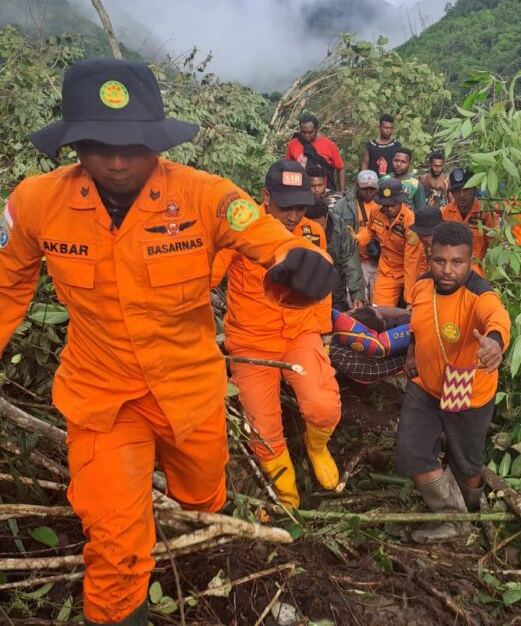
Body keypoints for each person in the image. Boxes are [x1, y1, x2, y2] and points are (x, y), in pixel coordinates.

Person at [0, 59, 337, 626]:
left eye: (132, 145)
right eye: (96, 144)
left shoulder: (205, 197)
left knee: (203, 496)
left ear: (156, 141)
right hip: (102, 399)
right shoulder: (33, 204)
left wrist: (305, 266)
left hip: (190, 393)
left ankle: (198, 541)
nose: (115, 160)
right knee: (114, 543)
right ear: (73, 144)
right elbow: (6, 282)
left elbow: (273, 241)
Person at [213, 161, 342, 510]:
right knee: (263, 430)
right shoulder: (238, 230)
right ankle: (286, 497)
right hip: (251, 343)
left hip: (301, 334)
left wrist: (325, 334)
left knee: (324, 406)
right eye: (286, 206)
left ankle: (316, 446)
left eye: (300, 206)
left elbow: (321, 284)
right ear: (265, 197)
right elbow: (207, 277)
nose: (293, 215)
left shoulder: (312, 232)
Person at [395, 222, 510, 542]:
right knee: (411, 451)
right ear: (429, 258)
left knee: (466, 463)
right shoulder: (421, 286)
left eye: (457, 262)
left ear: (470, 261)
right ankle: (455, 521)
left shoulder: (479, 293)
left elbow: (497, 318)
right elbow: (418, 325)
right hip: (426, 385)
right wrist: (412, 354)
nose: (447, 270)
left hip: (467, 387)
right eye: (439, 261)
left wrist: (495, 343)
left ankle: (473, 515)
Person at [357, 178, 417, 307]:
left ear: (400, 201)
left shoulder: (410, 220)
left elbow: (412, 261)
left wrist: (410, 299)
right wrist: (357, 239)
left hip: (409, 267)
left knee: (411, 310)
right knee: (379, 310)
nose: (389, 208)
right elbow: (369, 231)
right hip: (387, 268)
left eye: (392, 205)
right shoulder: (376, 212)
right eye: (385, 205)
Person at [305, 199, 365, 312]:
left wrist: (357, 295)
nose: (317, 230)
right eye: (312, 227)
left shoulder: (338, 225)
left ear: (327, 217)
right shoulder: (298, 225)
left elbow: (350, 258)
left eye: (320, 226)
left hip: (335, 280)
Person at [332, 170, 379, 302]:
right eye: (365, 189)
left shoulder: (384, 204)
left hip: (380, 261)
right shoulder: (343, 205)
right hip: (356, 261)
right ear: (357, 187)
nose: (369, 192)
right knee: (357, 302)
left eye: (372, 189)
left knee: (378, 302)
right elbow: (336, 233)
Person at [441, 167, 498, 274]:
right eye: (457, 191)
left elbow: (495, 246)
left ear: (474, 190)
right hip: (450, 272)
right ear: (452, 193)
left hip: (478, 272)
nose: (462, 195)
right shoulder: (444, 214)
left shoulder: (486, 213)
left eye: (466, 189)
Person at [285, 111, 345, 192]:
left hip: (324, 191)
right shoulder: (292, 144)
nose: (306, 135)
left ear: (316, 129)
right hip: (300, 192)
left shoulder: (329, 145)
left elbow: (340, 167)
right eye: (303, 132)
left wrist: (342, 191)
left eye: (310, 132)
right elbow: (287, 169)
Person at [404, 206, 442, 304]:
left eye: (424, 234)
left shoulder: (447, 251)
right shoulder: (427, 247)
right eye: (419, 233)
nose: (420, 237)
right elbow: (412, 265)